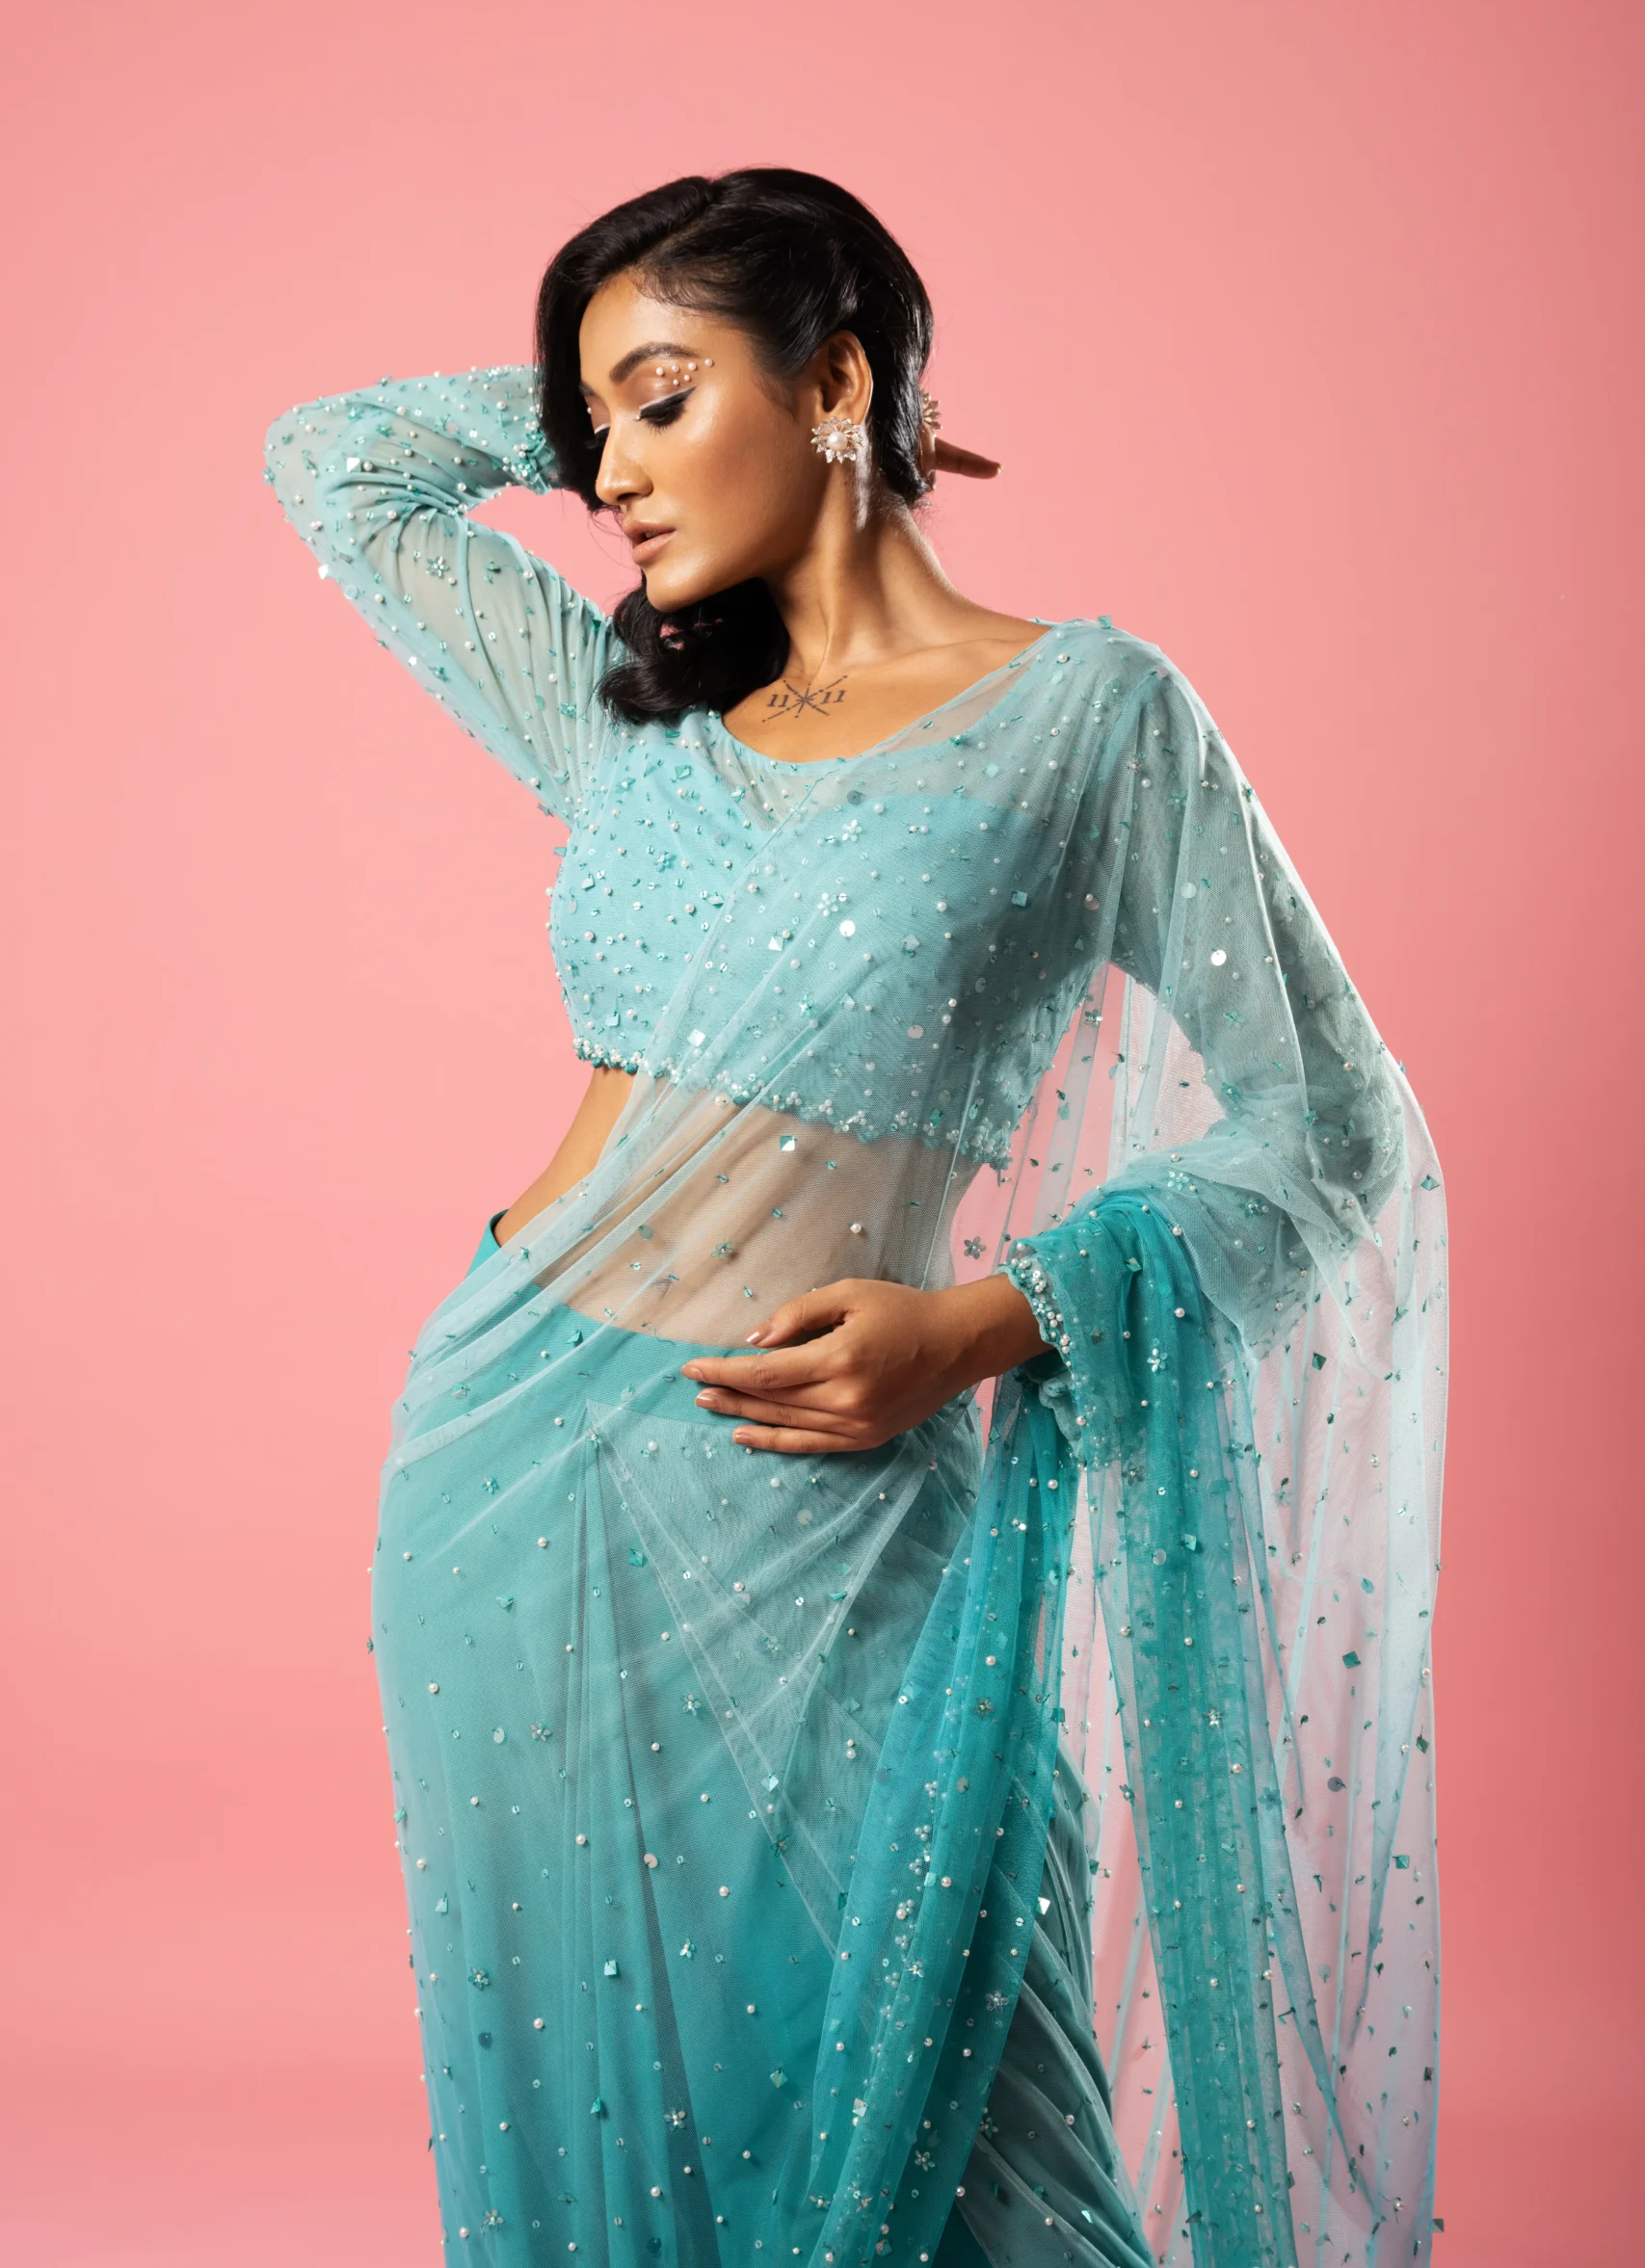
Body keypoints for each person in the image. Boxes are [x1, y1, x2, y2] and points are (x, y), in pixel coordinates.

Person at [266, 169, 1446, 2268]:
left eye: (656, 404)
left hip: (835, 1481)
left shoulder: (1089, 716)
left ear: (827, 380)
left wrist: (990, 1322)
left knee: (981, 2109)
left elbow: (1333, 1124)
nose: (609, 476)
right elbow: (332, 461)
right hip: (516, 1464)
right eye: (587, 427)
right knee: (603, 2097)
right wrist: (598, 406)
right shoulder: (629, 713)